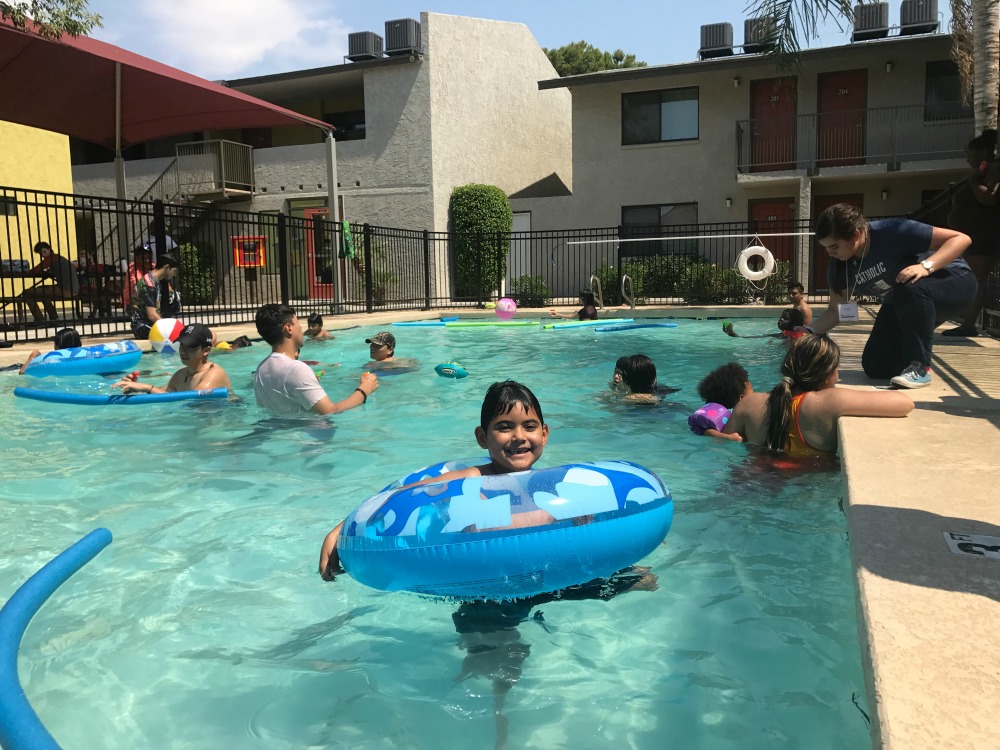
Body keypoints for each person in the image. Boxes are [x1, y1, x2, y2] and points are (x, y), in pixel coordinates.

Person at [319, 380, 551, 579]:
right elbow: (403, 494)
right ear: (482, 437)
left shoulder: (552, 482)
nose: (519, 437)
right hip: (485, 579)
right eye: (504, 427)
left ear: (544, 434)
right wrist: (342, 528)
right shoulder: (473, 478)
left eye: (529, 427)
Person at [807, 203, 976, 388]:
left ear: (856, 234)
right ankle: (912, 350)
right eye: (826, 248)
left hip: (955, 285)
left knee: (908, 283)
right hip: (905, 301)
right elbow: (836, 311)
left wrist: (925, 267)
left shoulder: (893, 231)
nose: (830, 253)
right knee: (876, 367)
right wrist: (808, 332)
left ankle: (920, 367)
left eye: (834, 246)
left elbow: (961, 239)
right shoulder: (840, 266)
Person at [723, 334, 914, 453]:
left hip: (752, 482)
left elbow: (721, 441)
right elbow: (904, 403)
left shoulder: (748, 403)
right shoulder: (830, 402)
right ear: (827, 374)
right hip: (804, 489)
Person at [253, 303, 377, 416]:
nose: (301, 329)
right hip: (303, 438)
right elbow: (330, 411)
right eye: (297, 323)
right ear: (288, 328)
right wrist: (365, 389)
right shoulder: (296, 369)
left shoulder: (261, 368)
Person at [942, 129, 1000, 337]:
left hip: (982, 237)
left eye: (971, 154)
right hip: (974, 237)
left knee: (977, 280)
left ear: (984, 153)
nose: (968, 159)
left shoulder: (991, 170)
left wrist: (974, 181)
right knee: (974, 279)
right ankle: (967, 322)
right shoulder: (985, 170)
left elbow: (989, 198)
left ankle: (969, 324)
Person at [112, 323, 231, 394]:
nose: (184, 351)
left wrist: (147, 387)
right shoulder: (181, 375)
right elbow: (164, 393)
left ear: (207, 350)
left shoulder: (214, 373)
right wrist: (134, 388)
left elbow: (194, 398)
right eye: (181, 345)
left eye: (191, 347)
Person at [16, 241, 80, 323]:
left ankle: (40, 320)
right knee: (41, 292)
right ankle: (53, 318)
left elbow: (35, 270)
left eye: (44, 252)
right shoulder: (59, 258)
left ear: (49, 249)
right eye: (41, 253)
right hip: (73, 290)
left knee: (27, 293)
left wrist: (25, 271)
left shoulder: (51, 258)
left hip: (65, 290)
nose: (43, 255)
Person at [689, 361, 752, 441]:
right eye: (752, 392)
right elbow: (707, 432)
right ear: (741, 398)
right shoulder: (722, 414)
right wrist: (729, 437)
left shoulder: (731, 412)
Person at [129, 252, 181, 340]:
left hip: (145, 325)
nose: (174, 275)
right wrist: (169, 329)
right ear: (167, 267)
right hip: (143, 327)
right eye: (174, 271)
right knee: (177, 337)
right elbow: (152, 315)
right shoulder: (150, 284)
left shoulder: (152, 280)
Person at [722, 308, 805, 339]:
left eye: (785, 318)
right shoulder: (782, 335)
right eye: (780, 317)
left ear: (794, 322)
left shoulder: (794, 338)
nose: (780, 320)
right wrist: (731, 332)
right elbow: (749, 338)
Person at [120, 244, 154, 311]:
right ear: (136, 258)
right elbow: (138, 285)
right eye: (143, 258)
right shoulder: (133, 269)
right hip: (132, 303)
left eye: (149, 257)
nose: (147, 260)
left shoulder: (153, 266)